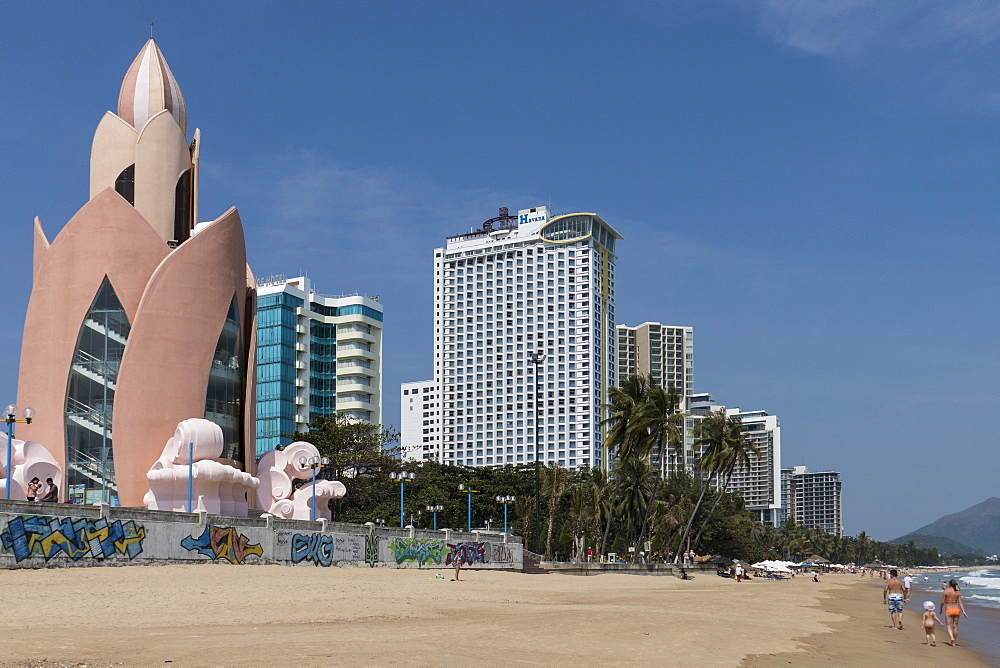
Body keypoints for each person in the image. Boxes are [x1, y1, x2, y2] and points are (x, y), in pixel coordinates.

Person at [940, 579, 968, 646]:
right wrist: (964, 611)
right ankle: (954, 643)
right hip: (956, 609)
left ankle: (952, 638)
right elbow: (960, 603)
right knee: (955, 626)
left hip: (948, 609)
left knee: (949, 625)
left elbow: (943, 602)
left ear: (949, 584)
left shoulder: (946, 592)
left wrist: (940, 609)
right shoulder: (958, 592)